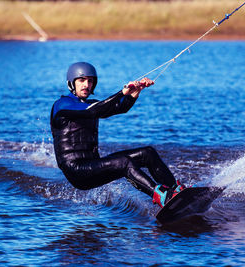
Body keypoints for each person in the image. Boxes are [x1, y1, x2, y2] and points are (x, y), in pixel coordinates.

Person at [50, 62, 185, 208]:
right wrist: (122, 92)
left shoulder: (92, 104)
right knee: (124, 163)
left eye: (90, 81)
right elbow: (93, 111)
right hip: (76, 171)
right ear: (71, 83)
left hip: (93, 166)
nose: (86, 85)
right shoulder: (62, 104)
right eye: (82, 80)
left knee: (148, 153)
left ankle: (176, 191)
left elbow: (118, 107)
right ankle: (161, 196)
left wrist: (135, 92)